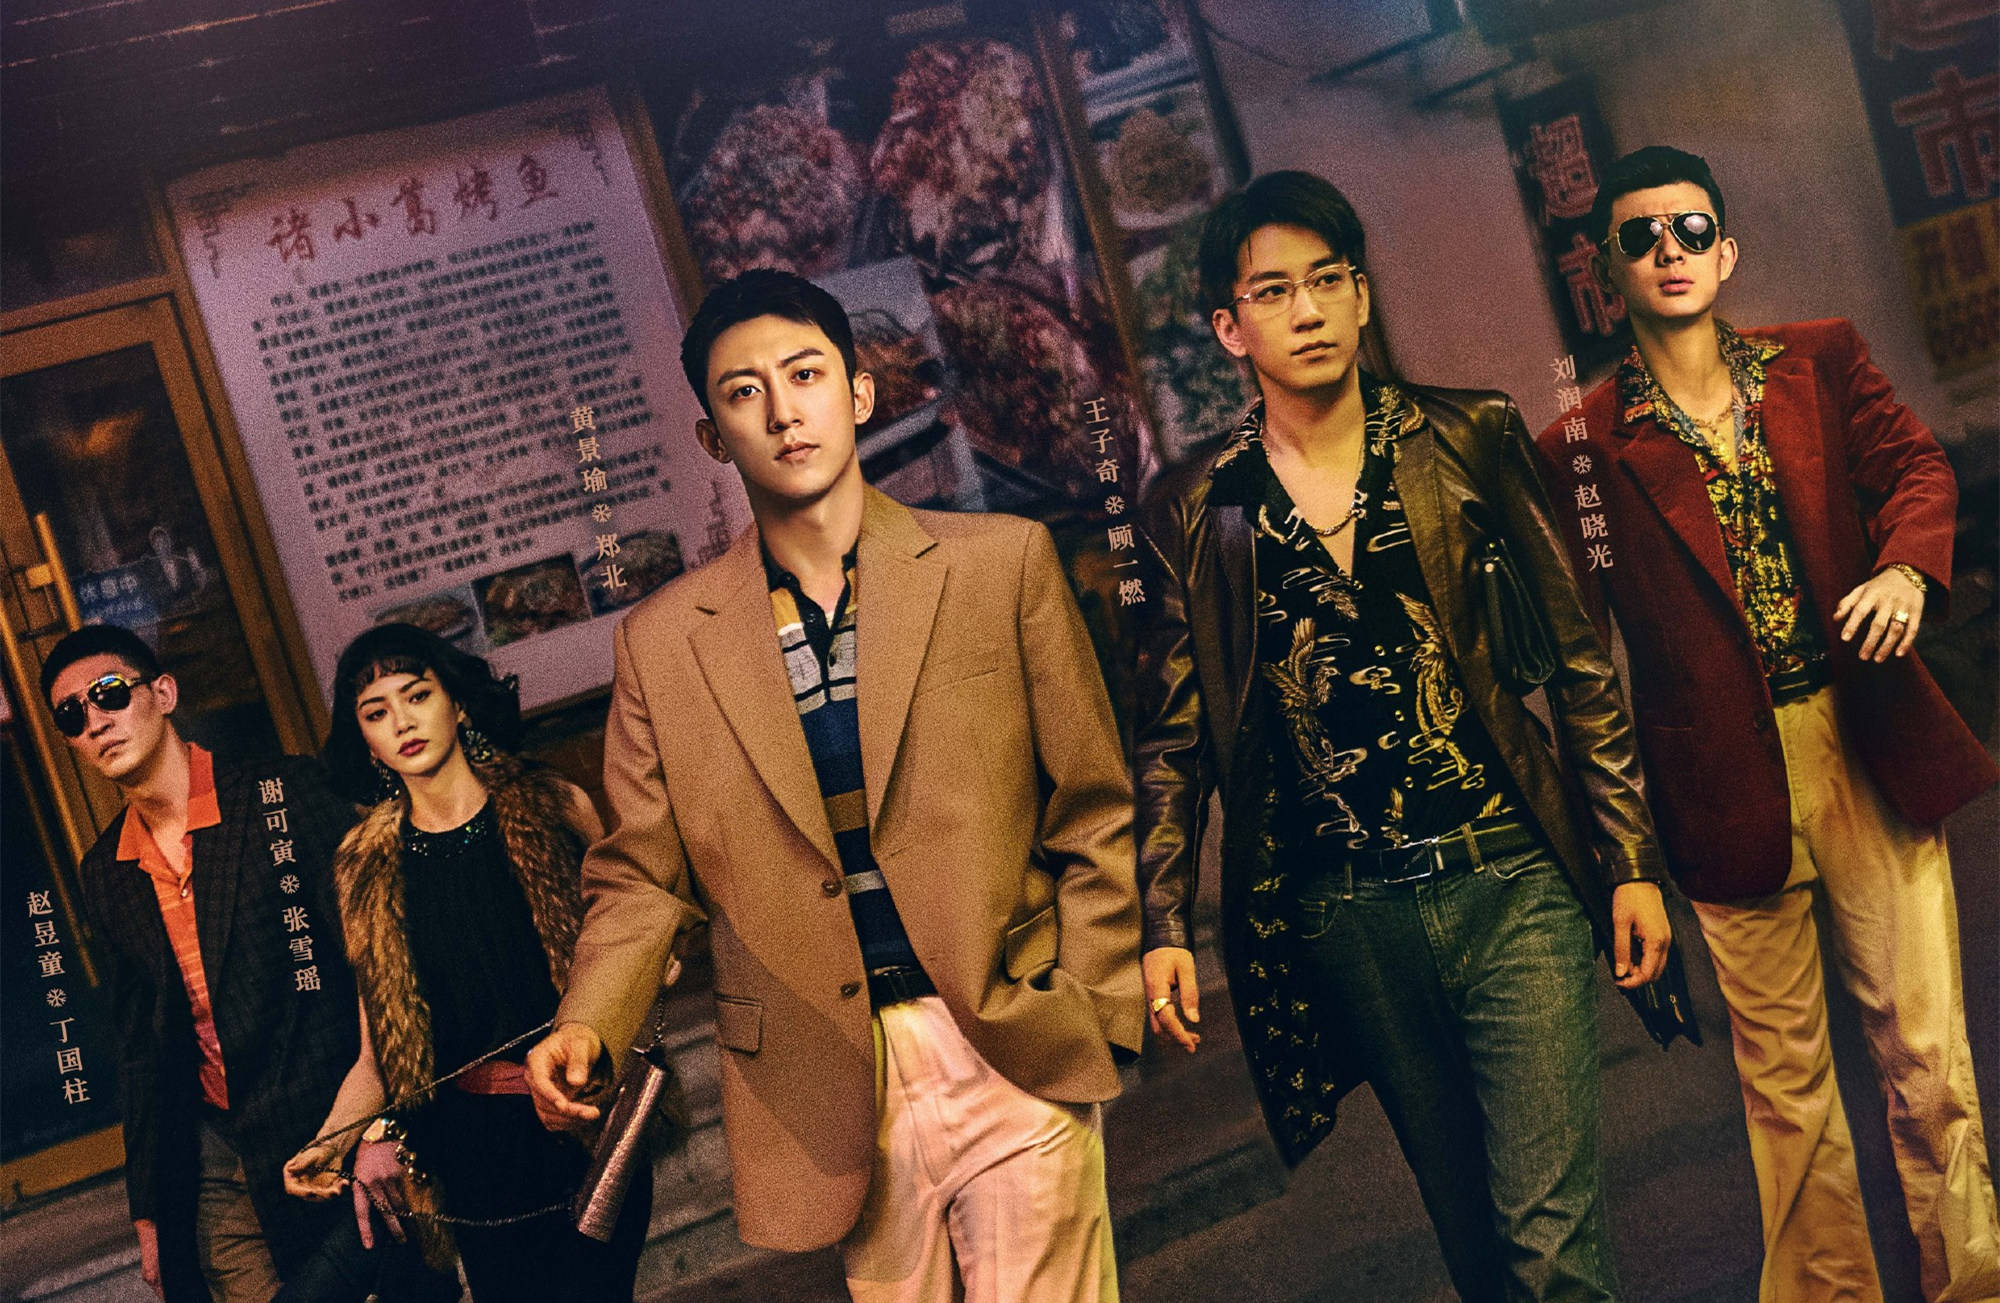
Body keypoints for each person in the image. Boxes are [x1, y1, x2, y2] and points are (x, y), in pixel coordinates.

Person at [523, 268, 1143, 1303]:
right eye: (744, 392)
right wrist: (589, 1020)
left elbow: (1091, 802)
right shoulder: (664, 645)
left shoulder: (1000, 565)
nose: (782, 410)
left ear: (858, 393)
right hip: (823, 1081)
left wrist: (1093, 1000)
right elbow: (639, 875)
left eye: (805, 374)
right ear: (713, 437)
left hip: (1007, 1029)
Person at [1132, 171, 1675, 1302]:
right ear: (1229, 328)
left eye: (1328, 279)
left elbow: (1578, 661)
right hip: (1351, 916)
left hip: (1509, 877)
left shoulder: (1466, 434)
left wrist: (1626, 858)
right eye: (1274, 291)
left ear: (1362, 295)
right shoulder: (1197, 503)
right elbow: (1175, 738)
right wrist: (1162, 918)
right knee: (1477, 1252)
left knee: (1548, 1245)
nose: (1309, 309)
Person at [1535, 144, 1999, 1303]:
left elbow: (1916, 470)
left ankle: (1970, 1285)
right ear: (1606, 274)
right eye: (1640, 237)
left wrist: (1905, 568)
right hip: (1716, 788)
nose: (1669, 251)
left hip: (1860, 738)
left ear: (1726, 251)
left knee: (1924, 1061)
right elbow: (1579, 659)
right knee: (1785, 1094)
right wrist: (1620, 856)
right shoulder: (1578, 448)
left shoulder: (1817, 360)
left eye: (1691, 230)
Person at [280, 623, 651, 1301]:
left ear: (456, 703)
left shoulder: (554, 806)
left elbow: (631, 946)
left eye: (417, 695)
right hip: (471, 1156)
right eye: (376, 712)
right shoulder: (366, 865)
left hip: (583, 1118)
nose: (402, 721)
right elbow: (376, 1056)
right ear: (365, 739)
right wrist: (331, 1141)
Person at [43, 623, 360, 1301]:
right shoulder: (107, 870)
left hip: (333, 1125)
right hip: (219, 1158)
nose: (96, 721)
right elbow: (140, 1048)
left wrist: (385, 1123)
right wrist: (150, 1210)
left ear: (163, 693)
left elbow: (377, 967)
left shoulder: (282, 793)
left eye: (109, 693)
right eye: (72, 715)